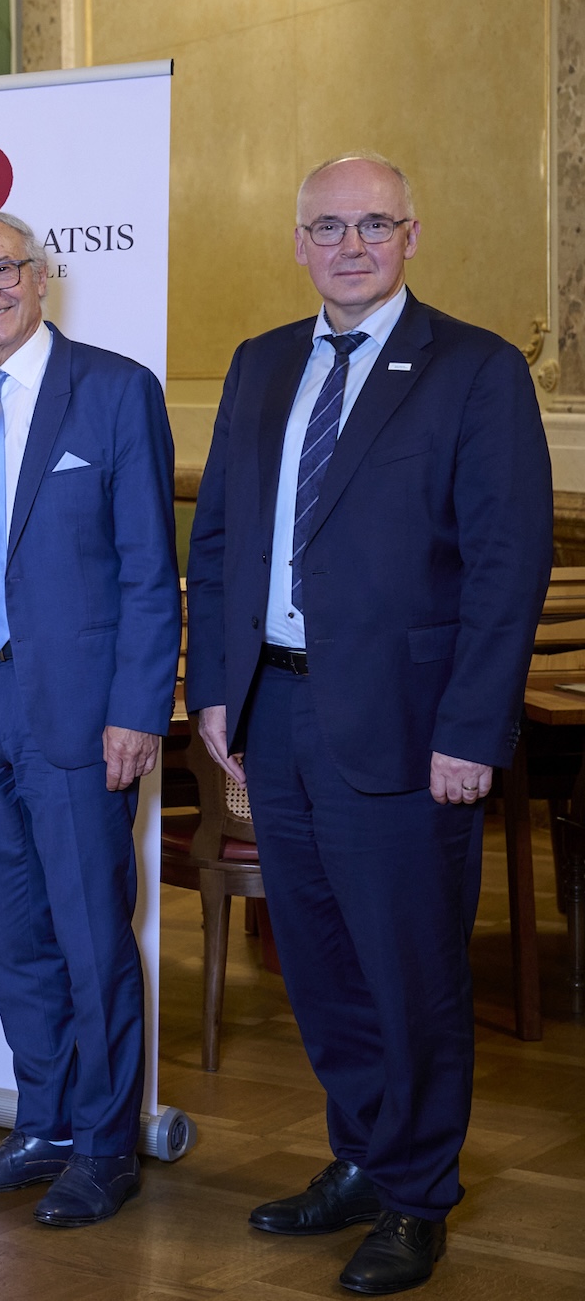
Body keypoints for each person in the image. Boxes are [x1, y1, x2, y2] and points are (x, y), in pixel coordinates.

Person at [185, 155, 550, 1294]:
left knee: (412, 972)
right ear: (298, 241)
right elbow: (223, 544)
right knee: (323, 964)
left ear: (411, 234)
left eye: (373, 224)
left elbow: (507, 566)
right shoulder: (260, 365)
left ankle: (416, 1196)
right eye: (328, 226)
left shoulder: (476, 370)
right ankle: (359, 1156)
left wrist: (471, 732)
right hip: (276, 713)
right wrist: (214, 683)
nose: (350, 244)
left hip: (407, 724)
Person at [0, 209, 178, 1229]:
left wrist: (136, 710)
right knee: (17, 933)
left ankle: (108, 1145)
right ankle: (44, 1124)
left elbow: (153, 575)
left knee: (91, 936)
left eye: (2, 271)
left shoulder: (113, 391)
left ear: (40, 277)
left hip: (78, 710)